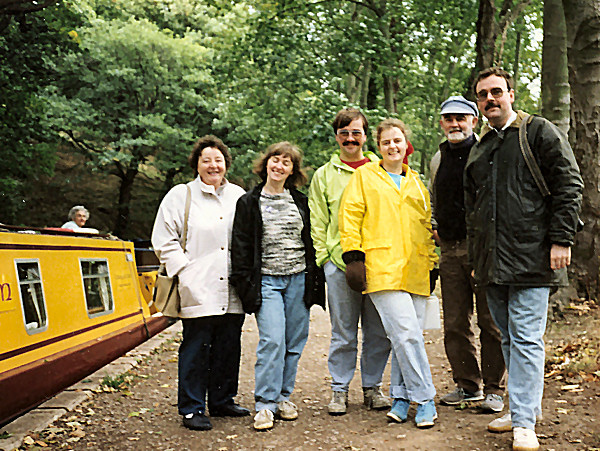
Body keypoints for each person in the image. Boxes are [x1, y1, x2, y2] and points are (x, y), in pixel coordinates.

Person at [465, 67, 583, 451]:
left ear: (511, 94)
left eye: (496, 92)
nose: (490, 100)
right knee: (510, 339)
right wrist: (476, 257)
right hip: (492, 262)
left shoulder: (539, 132)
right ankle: (520, 411)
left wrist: (561, 240)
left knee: (528, 339)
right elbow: (474, 208)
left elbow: (569, 185)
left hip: (535, 257)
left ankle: (526, 422)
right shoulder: (482, 146)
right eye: (483, 95)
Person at [339, 118, 439, 428]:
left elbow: (426, 227)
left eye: (397, 141)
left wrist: (433, 263)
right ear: (378, 147)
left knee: (404, 337)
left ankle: (400, 396)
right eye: (386, 142)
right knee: (406, 334)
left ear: (406, 144)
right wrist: (353, 258)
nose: (392, 146)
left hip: (417, 269)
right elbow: (350, 217)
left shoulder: (416, 184)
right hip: (381, 269)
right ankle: (425, 399)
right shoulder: (365, 177)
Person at [151, 135, 250, 431]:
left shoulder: (238, 195)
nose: (213, 165)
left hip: (233, 286)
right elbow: (164, 238)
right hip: (197, 286)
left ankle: (222, 400)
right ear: (196, 164)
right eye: (206, 160)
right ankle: (192, 407)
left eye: (218, 160)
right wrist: (186, 273)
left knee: (229, 345)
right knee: (197, 346)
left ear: (226, 164)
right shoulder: (180, 195)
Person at [231, 142, 326, 431]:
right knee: (272, 340)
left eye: (286, 162)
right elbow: (241, 246)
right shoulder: (249, 202)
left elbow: (310, 241)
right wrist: (247, 287)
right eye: (275, 159)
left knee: (294, 341)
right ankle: (265, 405)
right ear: (266, 163)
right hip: (267, 281)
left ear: (292, 170)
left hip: (298, 278)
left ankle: (284, 397)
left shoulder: (301, 201)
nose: (279, 166)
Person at [308, 108, 392, 416]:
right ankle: (339, 390)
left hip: (379, 262)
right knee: (343, 332)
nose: (350, 138)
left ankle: (373, 388)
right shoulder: (324, 175)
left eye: (356, 132)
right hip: (339, 264)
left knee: (378, 330)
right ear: (336, 138)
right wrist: (325, 258)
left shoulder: (381, 168)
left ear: (366, 137)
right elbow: (318, 220)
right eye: (344, 133)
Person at [429, 95, 506, 412]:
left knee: (491, 321)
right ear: (442, 123)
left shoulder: (486, 152)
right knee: (456, 323)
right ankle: (467, 385)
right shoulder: (438, 157)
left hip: (484, 249)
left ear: (474, 121)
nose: (455, 123)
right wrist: (434, 224)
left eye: (462, 117)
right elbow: (434, 196)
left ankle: (493, 389)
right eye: (449, 118)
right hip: (449, 250)